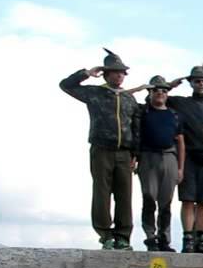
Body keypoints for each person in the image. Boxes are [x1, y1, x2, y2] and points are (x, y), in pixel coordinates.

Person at [59, 48, 141, 250]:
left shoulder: (130, 99)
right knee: (101, 194)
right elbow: (65, 85)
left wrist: (135, 154)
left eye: (122, 72)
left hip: (124, 153)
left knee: (125, 196)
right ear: (106, 73)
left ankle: (123, 236)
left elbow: (136, 127)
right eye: (114, 71)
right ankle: (106, 236)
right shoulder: (95, 93)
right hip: (101, 149)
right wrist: (87, 73)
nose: (119, 75)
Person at [166, 65, 203, 253]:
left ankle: (202, 239)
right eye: (196, 81)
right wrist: (171, 85)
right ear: (191, 83)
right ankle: (188, 239)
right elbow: (155, 97)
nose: (200, 84)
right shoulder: (181, 103)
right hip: (189, 159)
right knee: (187, 200)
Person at [135, 76, 184, 252]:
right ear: (150, 92)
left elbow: (180, 141)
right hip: (148, 157)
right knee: (149, 197)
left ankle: (165, 238)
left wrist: (180, 167)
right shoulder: (143, 112)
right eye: (156, 90)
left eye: (164, 91)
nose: (160, 94)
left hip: (169, 157)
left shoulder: (174, 115)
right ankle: (150, 236)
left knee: (166, 202)